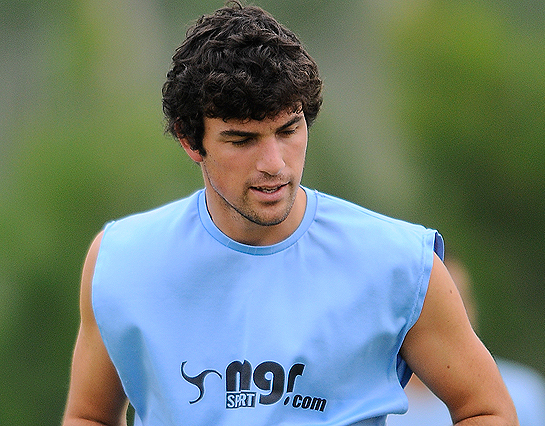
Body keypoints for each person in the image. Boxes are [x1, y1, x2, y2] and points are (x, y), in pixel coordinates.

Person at [61, 2, 518, 425]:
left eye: (288, 129)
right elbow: (88, 416)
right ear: (189, 139)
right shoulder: (120, 261)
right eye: (242, 140)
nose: (274, 163)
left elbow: (487, 410)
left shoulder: (401, 261)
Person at [387, 258, 545, 426]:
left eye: (462, 300)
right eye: (442, 306)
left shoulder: (523, 393)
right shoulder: (381, 401)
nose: (458, 315)